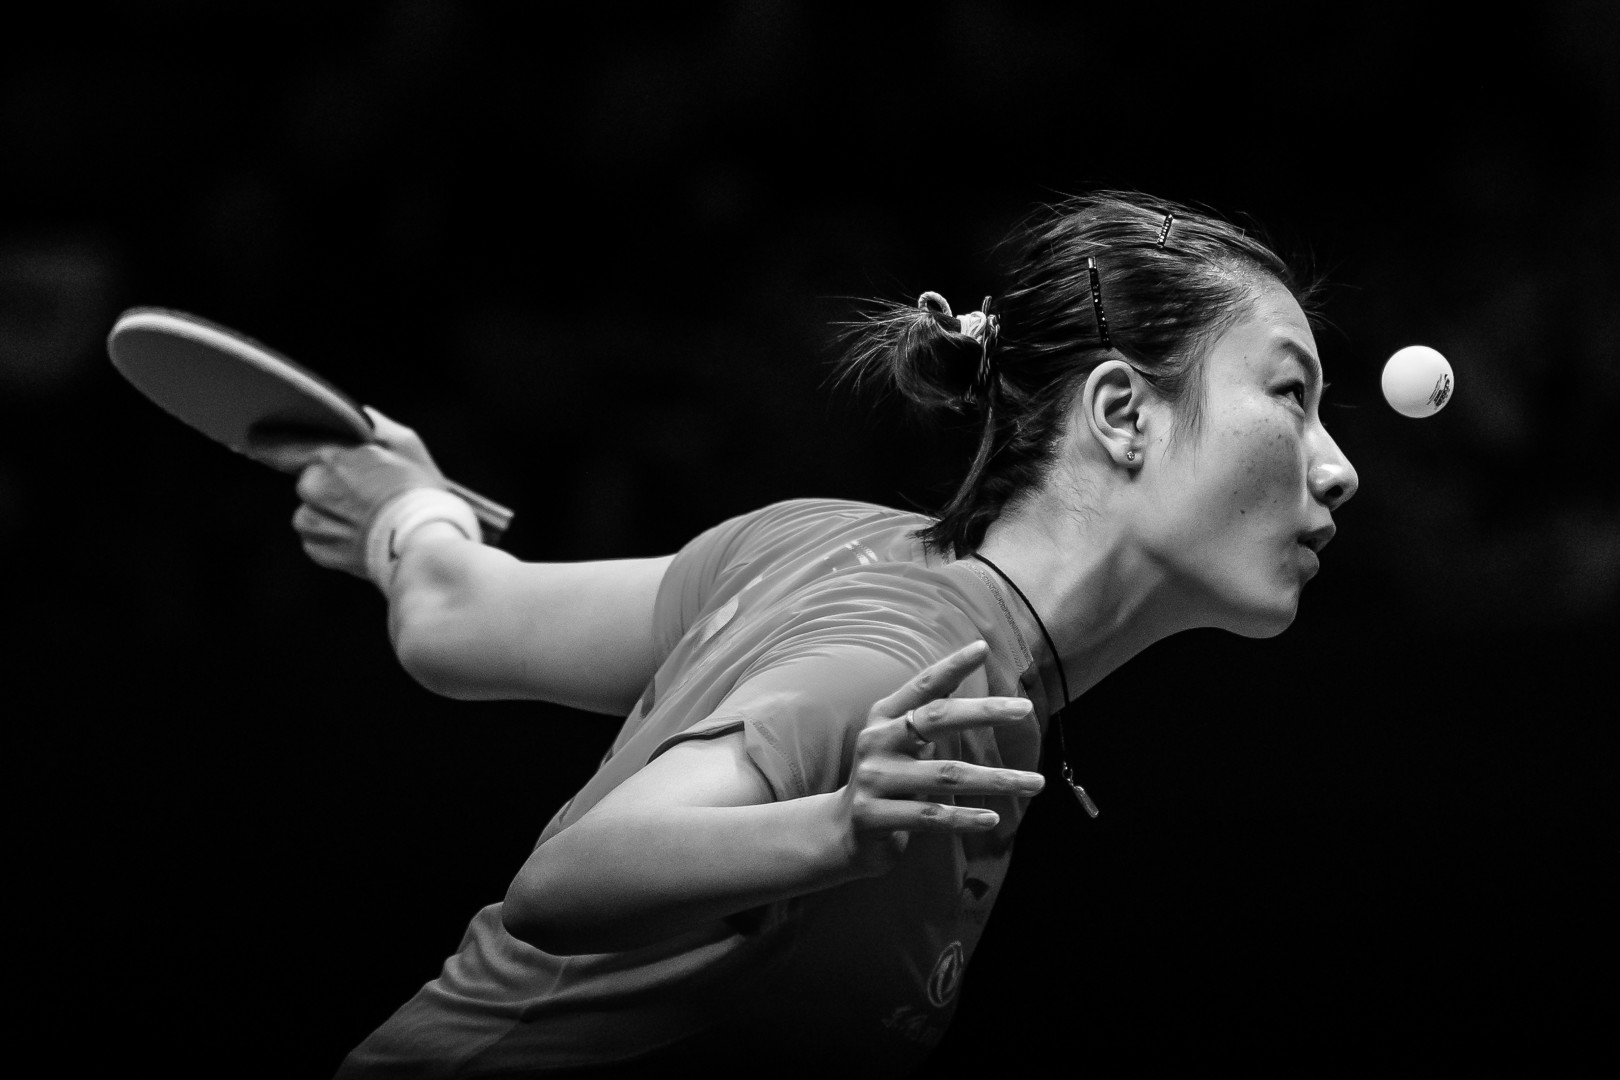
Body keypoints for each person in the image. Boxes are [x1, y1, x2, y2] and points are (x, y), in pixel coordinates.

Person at [255, 190, 1358, 1077]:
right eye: (1290, 395)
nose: (1337, 466)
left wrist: (406, 516)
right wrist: (831, 829)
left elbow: (458, 618)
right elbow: (563, 885)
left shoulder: (813, 546)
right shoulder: (902, 667)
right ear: (1122, 415)